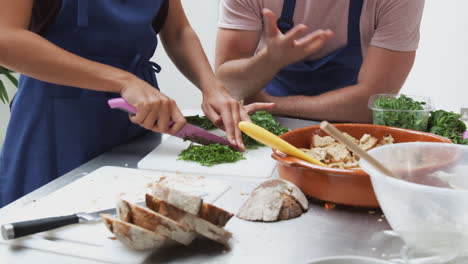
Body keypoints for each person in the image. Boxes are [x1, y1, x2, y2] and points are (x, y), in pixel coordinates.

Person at [0, 0, 271, 207]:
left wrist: (212, 87)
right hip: (57, 122)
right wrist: (124, 81)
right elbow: (6, 40)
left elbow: (178, 31)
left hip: (138, 118)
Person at [215, 0, 425, 122]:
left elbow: (372, 103)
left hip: (350, 133)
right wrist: (268, 61)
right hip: (265, 127)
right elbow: (228, 86)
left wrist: (272, 104)